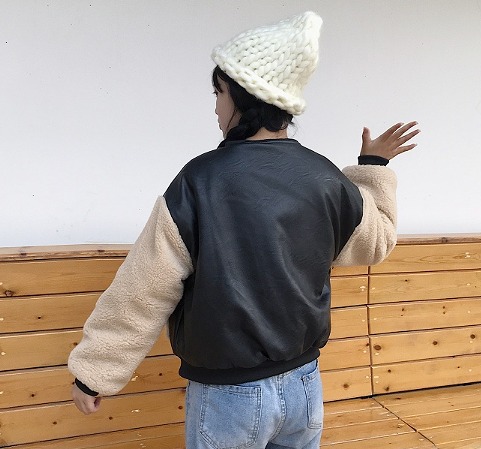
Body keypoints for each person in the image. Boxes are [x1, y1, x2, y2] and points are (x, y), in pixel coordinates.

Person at [68, 11, 419, 449]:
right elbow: (377, 241)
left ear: (241, 96)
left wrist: (95, 373)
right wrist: (373, 166)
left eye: (218, 92)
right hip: (305, 387)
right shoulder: (326, 179)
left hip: (228, 398)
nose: (215, 106)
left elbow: (143, 290)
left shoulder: (199, 182)